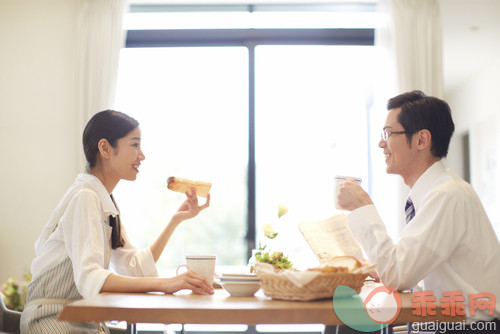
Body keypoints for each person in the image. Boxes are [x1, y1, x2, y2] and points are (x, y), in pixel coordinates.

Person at [20, 110, 212, 333]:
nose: (142, 155)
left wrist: (174, 221)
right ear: (105, 148)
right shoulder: (85, 196)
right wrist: (165, 283)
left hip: (81, 318)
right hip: (52, 319)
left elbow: (135, 268)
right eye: (135, 145)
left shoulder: (105, 201)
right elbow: (90, 277)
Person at [337, 91, 500, 332]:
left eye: (388, 134)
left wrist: (362, 207)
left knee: (351, 325)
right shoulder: (432, 194)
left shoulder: (447, 195)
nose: (381, 143)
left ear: (422, 140)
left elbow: (397, 274)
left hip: (468, 327)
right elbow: (409, 270)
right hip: (444, 322)